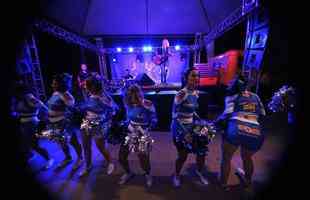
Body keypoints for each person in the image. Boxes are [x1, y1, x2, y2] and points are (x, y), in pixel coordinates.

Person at [215, 75, 266, 192]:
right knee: (247, 157)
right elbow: (262, 114)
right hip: (255, 131)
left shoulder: (231, 96)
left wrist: (213, 124)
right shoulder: (256, 96)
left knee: (226, 158)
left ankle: (223, 183)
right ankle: (248, 180)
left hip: (236, 129)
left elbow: (226, 115)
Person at [171, 67, 209, 187]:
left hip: (192, 126)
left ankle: (199, 172)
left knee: (202, 152)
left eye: (197, 76)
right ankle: (176, 175)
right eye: (193, 75)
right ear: (186, 78)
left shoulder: (196, 93)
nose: (196, 78)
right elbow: (174, 116)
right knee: (183, 156)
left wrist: (201, 120)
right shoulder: (181, 93)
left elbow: (192, 112)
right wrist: (185, 132)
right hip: (179, 127)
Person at [118, 84, 157, 187]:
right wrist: (125, 124)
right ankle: (128, 173)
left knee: (143, 159)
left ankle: (148, 174)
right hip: (130, 133)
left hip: (143, 134)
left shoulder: (147, 104)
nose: (134, 98)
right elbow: (128, 118)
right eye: (130, 95)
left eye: (136, 94)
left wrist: (146, 130)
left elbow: (154, 119)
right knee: (121, 157)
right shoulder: (128, 104)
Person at [78, 75, 117, 177]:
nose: (84, 86)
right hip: (86, 123)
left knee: (100, 147)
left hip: (98, 125)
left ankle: (110, 162)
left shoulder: (103, 97)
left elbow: (113, 110)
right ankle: (88, 166)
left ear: (92, 86)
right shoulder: (89, 95)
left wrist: (103, 118)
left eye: (86, 85)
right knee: (86, 146)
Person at [11, 82, 54, 169]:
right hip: (24, 124)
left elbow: (42, 106)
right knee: (25, 143)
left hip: (31, 123)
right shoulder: (18, 99)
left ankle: (49, 159)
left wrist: (47, 116)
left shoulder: (28, 97)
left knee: (35, 145)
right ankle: (30, 155)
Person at [46, 73, 83, 169]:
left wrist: (62, 117)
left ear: (60, 84)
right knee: (61, 142)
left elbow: (71, 110)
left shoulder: (66, 95)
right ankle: (68, 158)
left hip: (64, 123)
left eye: (54, 84)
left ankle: (80, 158)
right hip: (54, 123)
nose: (52, 85)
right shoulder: (55, 93)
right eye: (53, 83)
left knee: (73, 141)